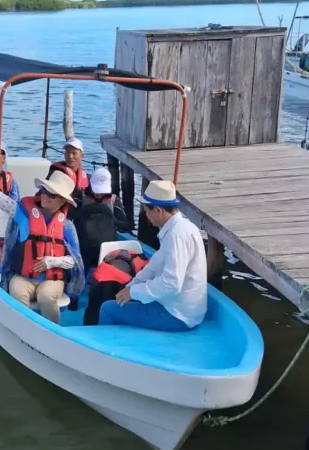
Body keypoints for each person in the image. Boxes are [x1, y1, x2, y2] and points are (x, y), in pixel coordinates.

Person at [0, 166, 84, 325]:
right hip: (22, 278)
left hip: (51, 281)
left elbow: (75, 261)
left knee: (46, 297)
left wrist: (51, 262)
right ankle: (24, 331)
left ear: (63, 200)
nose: (45, 196)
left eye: (52, 194)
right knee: (17, 294)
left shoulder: (67, 227)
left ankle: (52, 333)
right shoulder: (23, 213)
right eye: (44, 191)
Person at [98, 180, 207, 332]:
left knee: (107, 309)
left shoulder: (176, 236)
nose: (146, 215)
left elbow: (172, 284)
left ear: (158, 210)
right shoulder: (183, 227)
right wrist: (131, 287)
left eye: (146, 211)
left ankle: (103, 348)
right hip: (181, 306)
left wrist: (134, 292)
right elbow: (155, 265)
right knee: (125, 301)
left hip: (178, 314)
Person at [72, 166, 131, 271]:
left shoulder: (113, 200)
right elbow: (70, 217)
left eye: (102, 191)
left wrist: (110, 218)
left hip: (106, 247)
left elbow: (125, 226)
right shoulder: (81, 197)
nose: (99, 194)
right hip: (84, 246)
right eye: (96, 190)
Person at [48, 137, 89, 202]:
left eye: (74, 153)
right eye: (67, 152)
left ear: (82, 155)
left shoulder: (87, 177)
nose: (70, 156)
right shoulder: (56, 173)